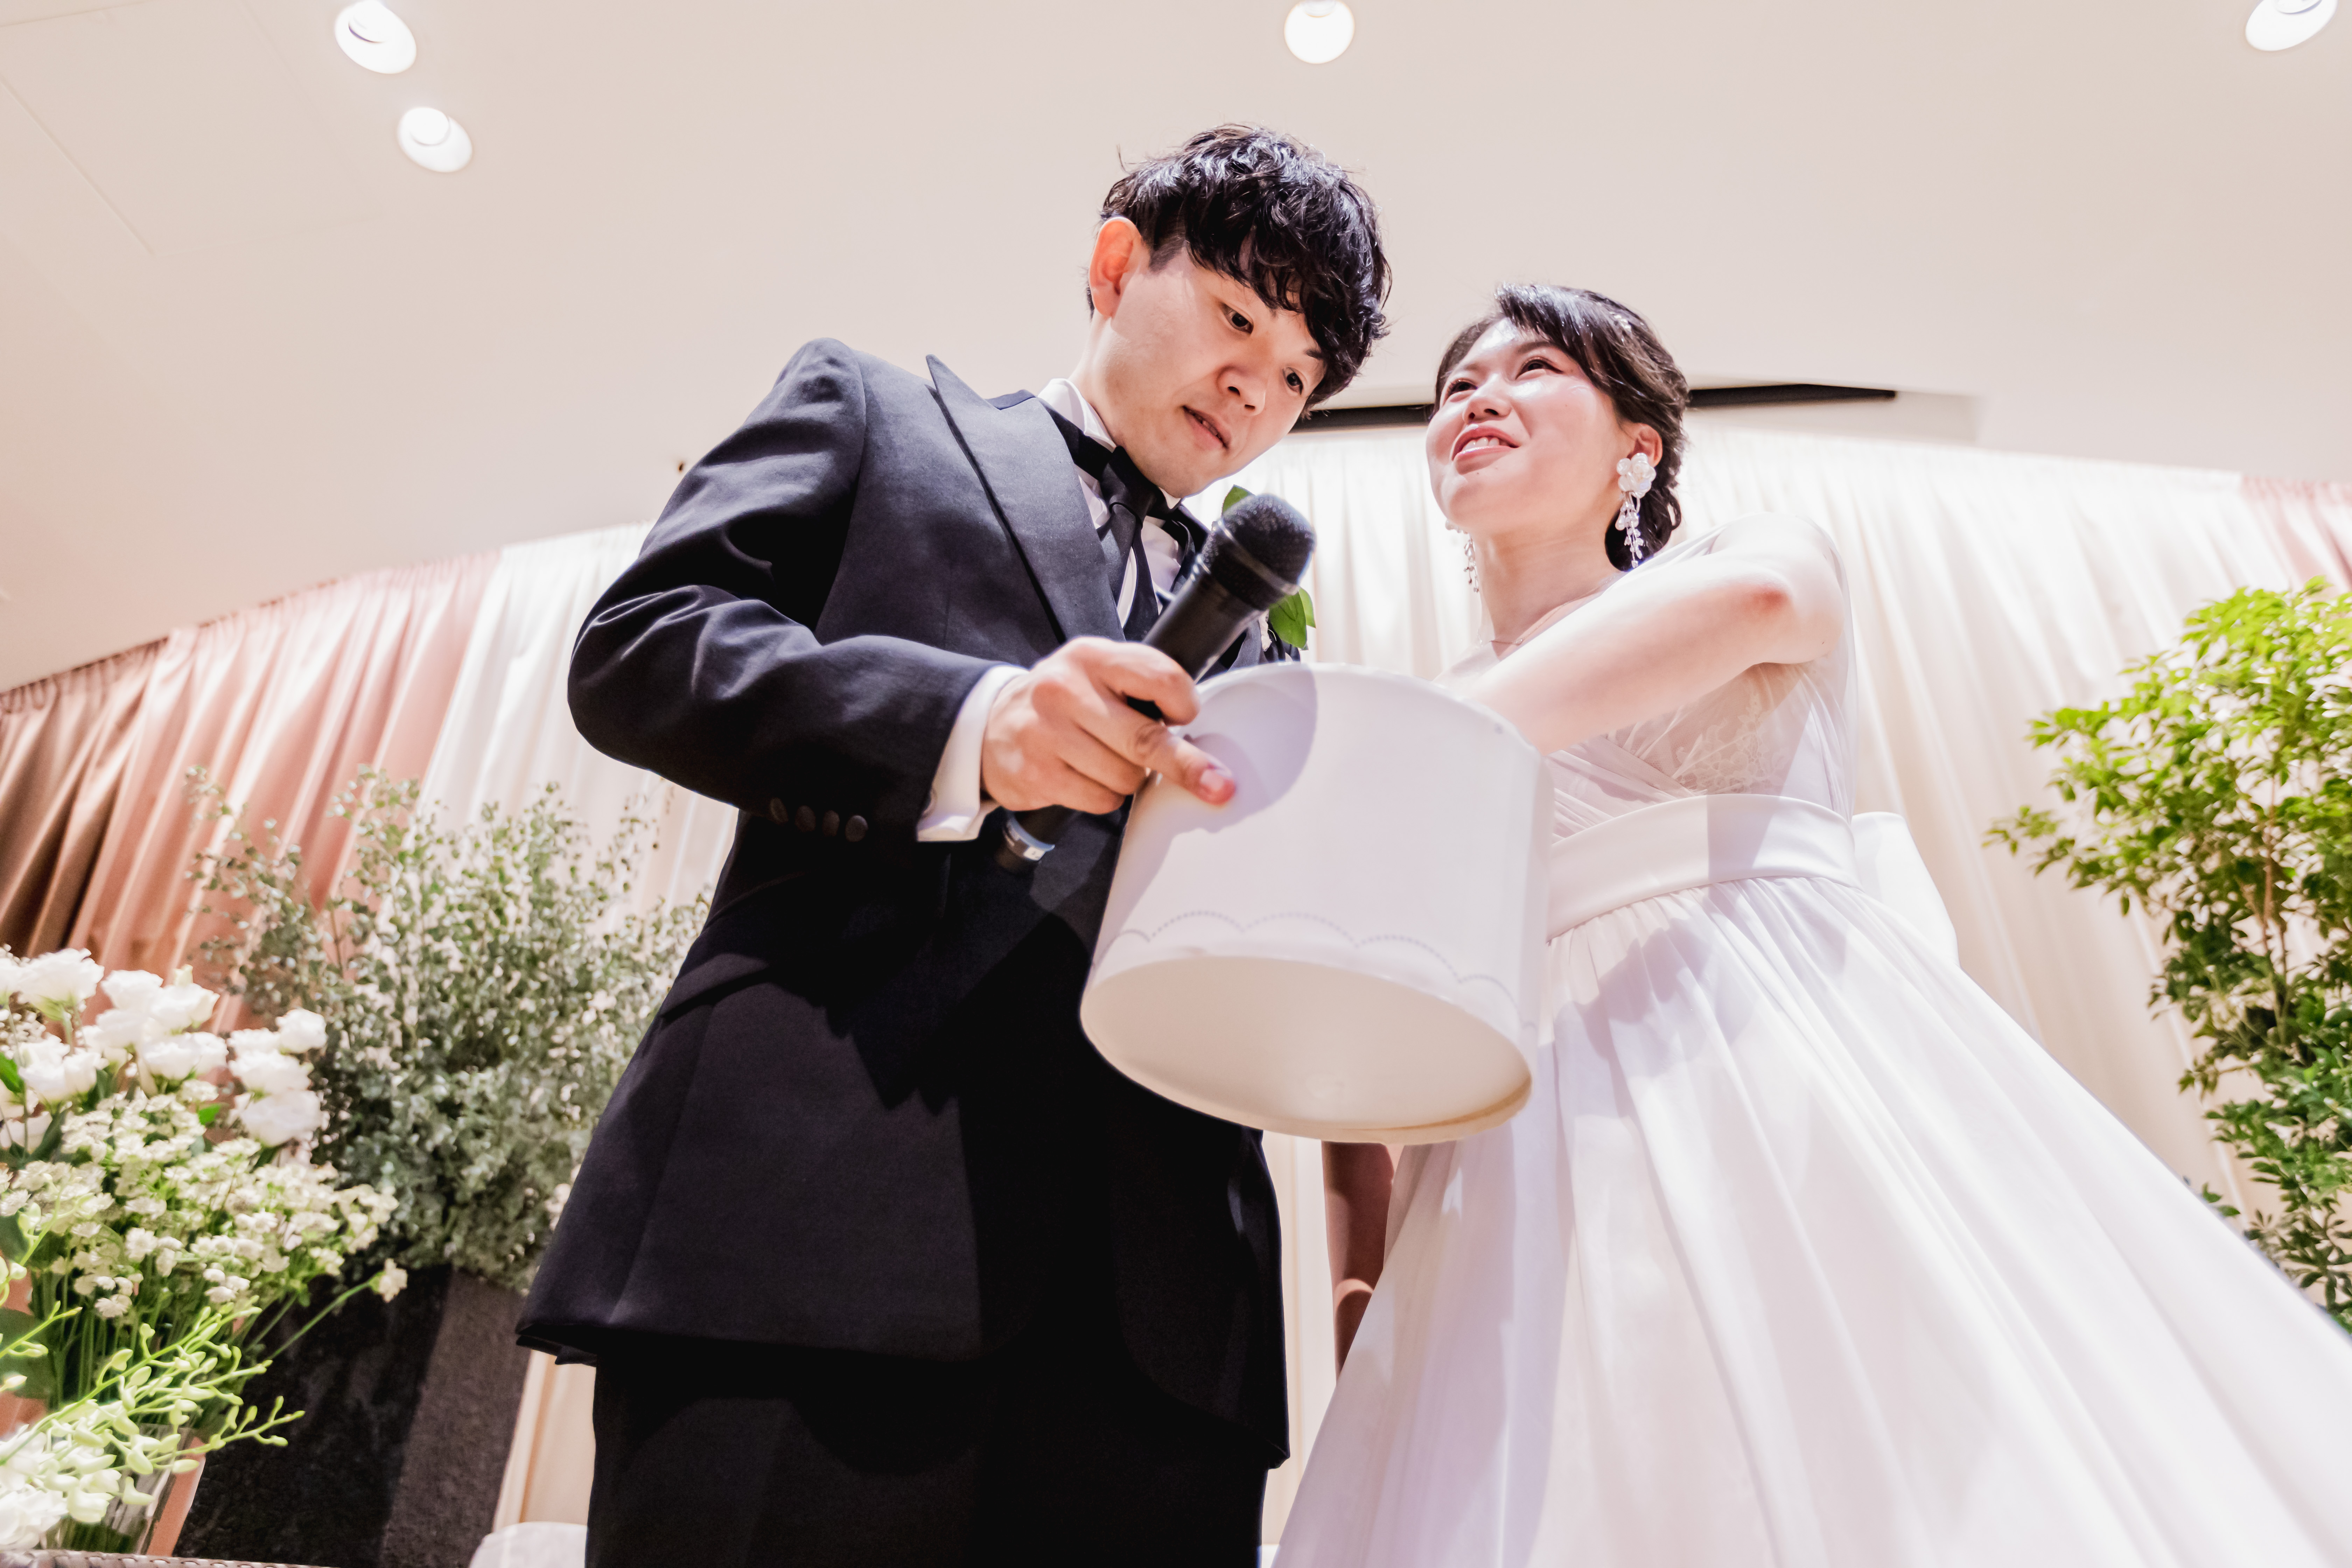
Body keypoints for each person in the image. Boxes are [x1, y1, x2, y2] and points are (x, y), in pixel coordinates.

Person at [1280, 284, 2352, 1566]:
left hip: (1765, 1065)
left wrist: (1394, 766)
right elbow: (1367, 1046)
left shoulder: (1746, 556)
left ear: (1639, 447)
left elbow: (1762, 609)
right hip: (1510, 1162)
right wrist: (1362, 1302)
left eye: (1538, 369)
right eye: (1457, 384)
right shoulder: (1413, 725)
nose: (1480, 398)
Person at [517, 125, 1388, 1567]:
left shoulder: (1268, 640)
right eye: (1240, 316)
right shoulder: (876, 414)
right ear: (1115, 264)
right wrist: (974, 726)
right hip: (810, 1225)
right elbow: (641, 647)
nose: (1257, 388)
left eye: (1298, 375)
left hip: (1162, 1336)